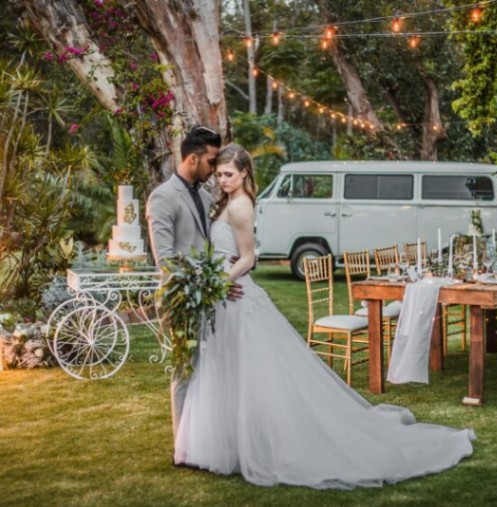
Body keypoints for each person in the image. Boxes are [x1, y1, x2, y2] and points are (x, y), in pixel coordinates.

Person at [173, 143, 476, 489]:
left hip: (235, 295)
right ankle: (232, 441)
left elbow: (248, 258)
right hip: (226, 298)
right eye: (219, 174)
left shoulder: (241, 206)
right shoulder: (227, 202)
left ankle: (255, 443)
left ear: (244, 173)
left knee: (251, 372)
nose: (223, 180)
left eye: (229, 174)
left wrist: (217, 283)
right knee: (229, 369)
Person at [146, 126, 243, 441]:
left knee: (211, 368)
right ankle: (183, 444)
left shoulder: (203, 195)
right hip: (182, 299)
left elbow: (206, 246)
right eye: (211, 161)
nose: (215, 169)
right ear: (192, 158)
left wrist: (225, 269)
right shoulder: (162, 197)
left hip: (209, 298)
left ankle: (205, 438)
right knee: (186, 369)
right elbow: (166, 261)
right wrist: (212, 283)